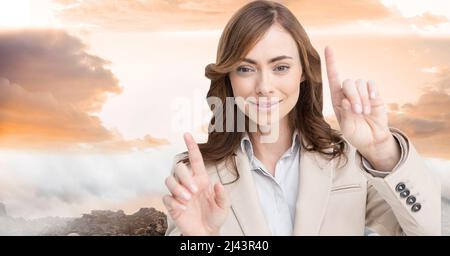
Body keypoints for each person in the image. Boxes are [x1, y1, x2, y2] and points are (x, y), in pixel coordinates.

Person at [162, 0, 441, 235]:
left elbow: (429, 229)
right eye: (246, 69)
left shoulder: (350, 160)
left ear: (303, 73)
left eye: (280, 67)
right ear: (229, 78)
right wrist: (202, 238)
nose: (264, 86)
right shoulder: (196, 173)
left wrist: (382, 151)